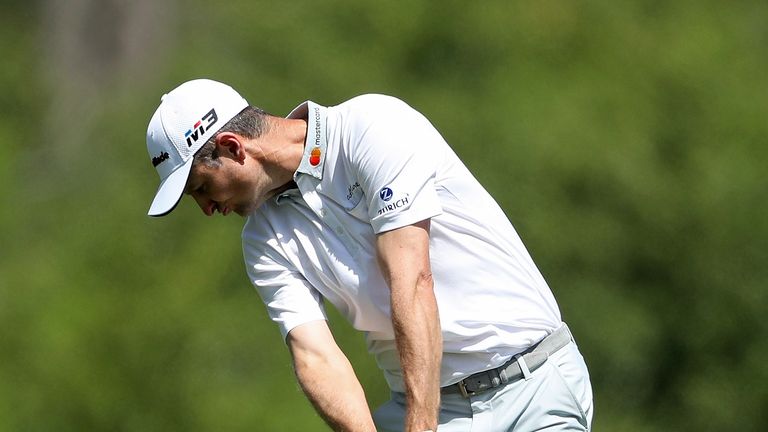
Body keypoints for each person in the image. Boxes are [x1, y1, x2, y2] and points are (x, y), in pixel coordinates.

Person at [145, 78, 594, 432]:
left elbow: (412, 280)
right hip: (428, 408)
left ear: (232, 147)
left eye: (201, 188)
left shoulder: (372, 126)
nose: (206, 209)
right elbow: (315, 355)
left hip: (531, 383)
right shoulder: (263, 239)